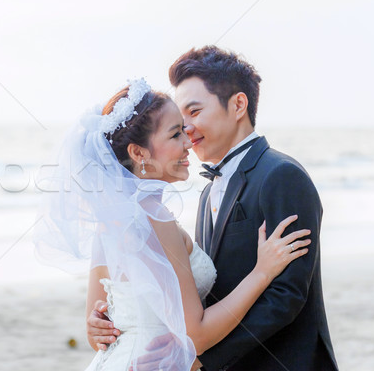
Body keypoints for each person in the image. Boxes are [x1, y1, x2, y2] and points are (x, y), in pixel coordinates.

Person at [88, 47, 339, 370]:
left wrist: (201, 356)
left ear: (238, 105)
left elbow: (286, 297)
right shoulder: (206, 194)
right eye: (179, 123)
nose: (187, 131)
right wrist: (112, 315)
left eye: (194, 112)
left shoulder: (281, 175)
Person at [35, 78, 311, 370]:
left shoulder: (112, 220)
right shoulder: (155, 216)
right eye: (175, 134)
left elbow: (97, 328)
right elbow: (196, 335)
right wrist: (262, 272)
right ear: (139, 153)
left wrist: (96, 329)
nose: (188, 142)